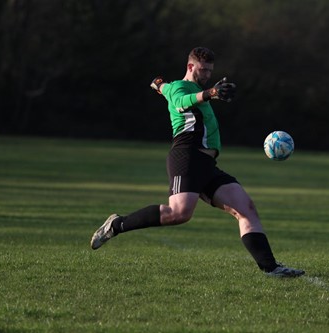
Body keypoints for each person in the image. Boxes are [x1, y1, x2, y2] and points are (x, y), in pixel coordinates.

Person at [90, 47, 305, 278]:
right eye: (203, 70)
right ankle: (117, 225)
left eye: (210, 71)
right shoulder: (180, 88)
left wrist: (158, 84)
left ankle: (270, 267)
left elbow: (161, 86)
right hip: (186, 155)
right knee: (179, 213)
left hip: (207, 165)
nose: (207, 75)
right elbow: (182, 101)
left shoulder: (175, 87)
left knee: (246, 209)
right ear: (190, 66)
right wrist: (209, 92)